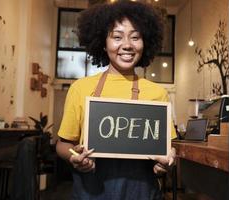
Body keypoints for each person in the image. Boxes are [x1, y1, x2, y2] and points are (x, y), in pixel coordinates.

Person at [56, 1, 177, 199]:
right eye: (117, 37)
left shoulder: (157, 93)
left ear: (145, 42)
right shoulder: (81, 88)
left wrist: (166, 163)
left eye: (135, 37)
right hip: (91, 193)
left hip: (142, 193)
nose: (127, 45)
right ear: (103, 43)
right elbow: (62, 145)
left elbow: (168, 150)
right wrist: (75, 157)